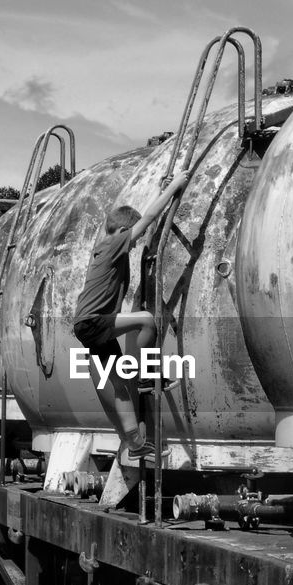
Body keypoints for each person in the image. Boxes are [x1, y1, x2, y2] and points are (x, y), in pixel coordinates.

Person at [72, 170, 191, 459]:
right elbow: (147, 220)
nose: (135, 243)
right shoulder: (114, 244)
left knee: (120, 388)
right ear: (123, 231)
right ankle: (144, 372)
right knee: (146, 320)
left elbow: (146, 225)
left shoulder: (107, 250)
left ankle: (135, 443)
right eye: (132, 236)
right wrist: (174, 186)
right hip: (92, 321)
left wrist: (162, 189)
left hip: (88, 325)